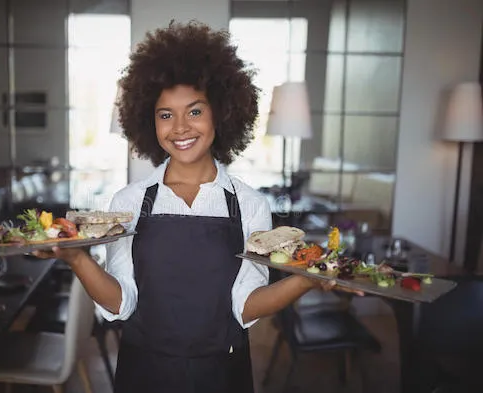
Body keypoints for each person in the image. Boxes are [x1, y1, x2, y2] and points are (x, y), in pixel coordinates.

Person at [35, 21, 358, 393]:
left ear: (220, 112)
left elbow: (246, 305)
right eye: (165, 114)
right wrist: (78, 259)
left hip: (222, 373)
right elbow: (121, 303)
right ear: (148, 120)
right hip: (144, 372)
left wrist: (306, 278)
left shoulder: (250, 204)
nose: (180, 128)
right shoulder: (129, 201)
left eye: (195, 111)